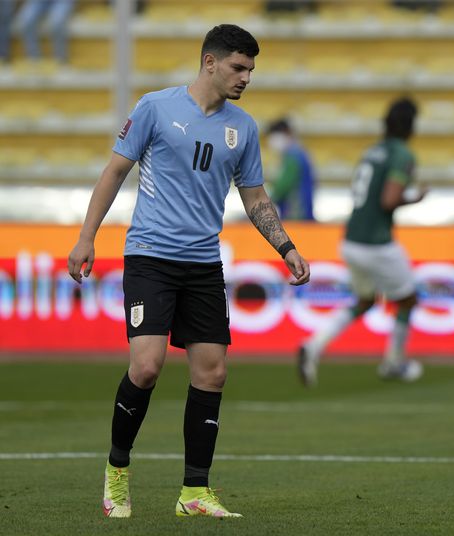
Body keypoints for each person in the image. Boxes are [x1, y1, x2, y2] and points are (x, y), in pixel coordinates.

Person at [67, 24, 310, 519]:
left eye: (251, 70)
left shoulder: (242, 128)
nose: (246, 78)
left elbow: (256, 196)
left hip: (203, 263)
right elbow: (115, 171)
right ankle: (117, 471)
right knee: (148, 365)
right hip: (151, 256)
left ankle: (194, 492)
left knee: (213, 373)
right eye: (239, 67)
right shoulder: (155, 107)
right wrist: (86, 236)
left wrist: (285, 247)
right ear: (210, 63)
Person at [297, 97, 426, 387]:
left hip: (351, 239)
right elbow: (388, 200)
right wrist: (414, 198)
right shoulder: (402, 155)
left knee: (366, 300)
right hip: (376, 243)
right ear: (410, 126)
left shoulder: (372, 151)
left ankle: (313, 346)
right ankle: (394, 363)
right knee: (408, 299)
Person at [265, 117, 316, 221]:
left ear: (285, 133)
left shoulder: (293, 155)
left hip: (296, 213)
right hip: (302, 210)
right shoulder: (298, 152)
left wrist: (264, 200)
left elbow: (284, 185)